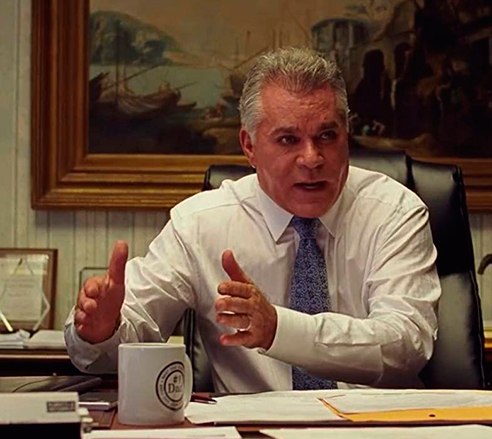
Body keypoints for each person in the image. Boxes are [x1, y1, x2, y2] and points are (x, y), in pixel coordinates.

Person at [65, 47, 440, 393]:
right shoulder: (200, 224)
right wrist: (102, 331)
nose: (312, 158)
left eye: (327, 135)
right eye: (288, 140)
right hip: (252, 436)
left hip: (378, 432)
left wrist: (279, 329)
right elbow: (118, 342)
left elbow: (407, 344)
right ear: (249, 146)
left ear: (346, 134)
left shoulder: (393, 212)